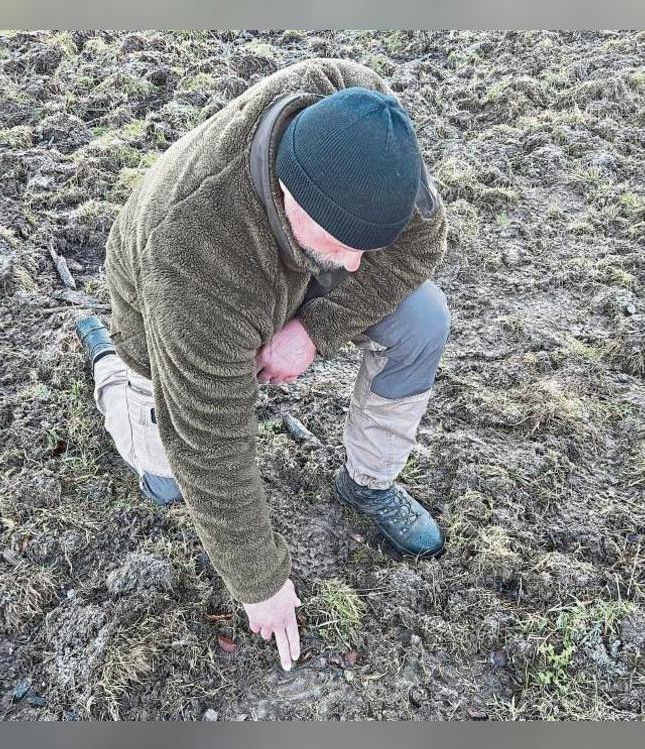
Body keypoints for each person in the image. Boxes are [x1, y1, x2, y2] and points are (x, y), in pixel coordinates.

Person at [74, 57, 450, 671]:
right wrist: (261, 583)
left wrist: (315, 329)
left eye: (365, 245)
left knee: (423, 320)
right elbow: (211, 442)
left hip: (282, 284)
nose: (355, 265)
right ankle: (105, 360)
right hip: (167, 312)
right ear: (291, 193)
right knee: (169, 477)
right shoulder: (192, 256)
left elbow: (421, 244)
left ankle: (369, 482)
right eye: (342, 243)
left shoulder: (365, 127)